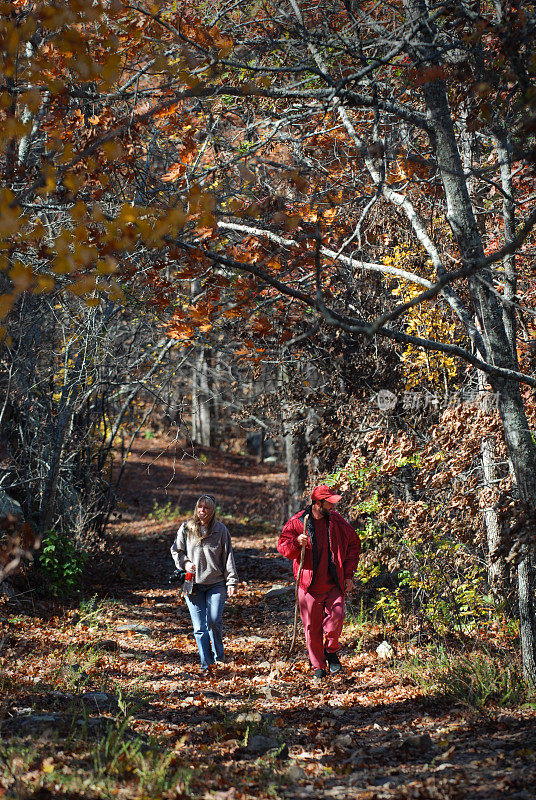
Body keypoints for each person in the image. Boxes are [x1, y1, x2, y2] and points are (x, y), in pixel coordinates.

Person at [277, 485, 361, 680]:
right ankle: (318, 666)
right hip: (308, 585)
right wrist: (297, 542)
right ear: (317, 503)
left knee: (337, 618)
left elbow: (354, 543)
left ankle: (331, 651)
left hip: (334, 583)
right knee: (311, 628)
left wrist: (348, 575)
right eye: (329, 503)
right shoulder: (298, 522)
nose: (332, 506)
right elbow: (283, 547)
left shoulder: (337, 521)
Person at [171, 494, 239, 670]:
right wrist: (185, 564)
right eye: (199, 507)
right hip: (192, 584)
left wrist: (231, 582)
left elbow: (228, 557)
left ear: (212, 510)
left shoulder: (221, 530)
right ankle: (206, 664)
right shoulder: (187, 528)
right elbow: (176, 551)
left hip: (216, 583)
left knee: (214, 620)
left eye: (206, 508)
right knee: (199, 627)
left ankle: (219, 657)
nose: (202, 510)